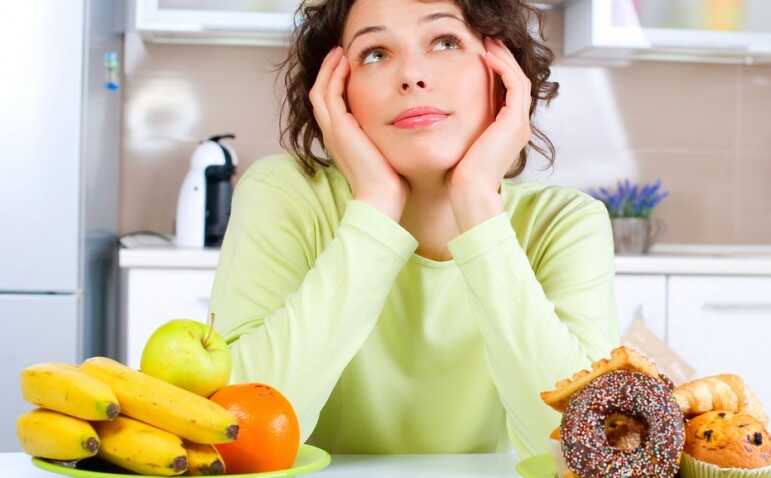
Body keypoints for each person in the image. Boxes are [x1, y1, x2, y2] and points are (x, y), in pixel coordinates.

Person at [208, 0, 618, 459]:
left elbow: (582, 449)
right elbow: (238, 434)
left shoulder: (565, 223)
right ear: (335, 93)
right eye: (375, 53)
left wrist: (478, 204)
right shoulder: (285, 194)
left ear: (504, 76)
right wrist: (376, 207)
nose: (412, 76)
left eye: (445, 42)